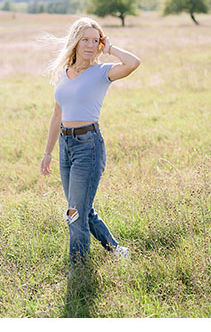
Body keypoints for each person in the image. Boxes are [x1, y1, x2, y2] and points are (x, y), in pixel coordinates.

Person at [39, 17, 140, 263]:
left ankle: (79, 265)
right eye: (86, 39)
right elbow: (57, 115)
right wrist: (48, 152)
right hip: (66, 146)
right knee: (82, 208)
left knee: (75, 212)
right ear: (75, 41)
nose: (90, 45)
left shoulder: (102, 72)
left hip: (89, 146)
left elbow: (133, 63)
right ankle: (116, 251)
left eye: (96, 40)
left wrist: (111, 48)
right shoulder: (64, 73)